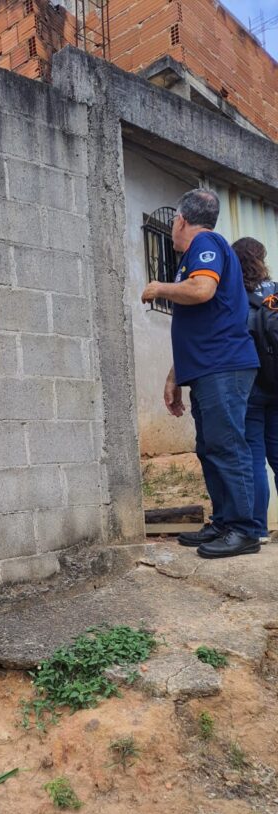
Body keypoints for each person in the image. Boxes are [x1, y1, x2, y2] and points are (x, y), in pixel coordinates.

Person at [141, 188, 261, 558]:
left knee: (227, 446)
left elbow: (202, 290)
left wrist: (159, 287)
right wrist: (175, 375)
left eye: (174, 224)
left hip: (224, 366)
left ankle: (244, 530)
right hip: (207, 366)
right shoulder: (198, 253)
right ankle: (225, 522)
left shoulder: (205, 243)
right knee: (210, 448)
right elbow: (200, 323)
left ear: (179, 220)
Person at [233, 236, 278, 542]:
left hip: (251, 386)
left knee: (254, 458)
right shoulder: (275, 293)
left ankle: (258, 528)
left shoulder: (235, 295)